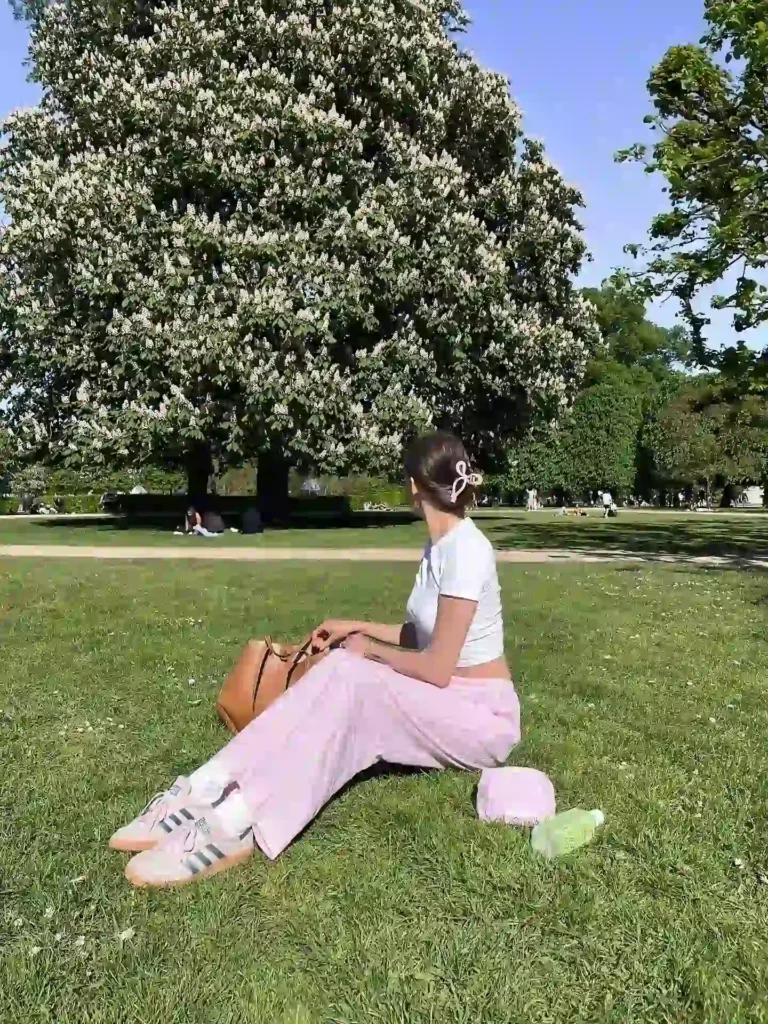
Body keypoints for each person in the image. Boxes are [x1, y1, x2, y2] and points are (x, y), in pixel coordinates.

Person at [111, 432, 521, 888]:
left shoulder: (466, 549)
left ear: (412, 485)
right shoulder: (439, 546)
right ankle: (204, 787)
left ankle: (234, 822)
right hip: (448, 699)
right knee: (342, 667)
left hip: (481, 715)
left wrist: (371, 653)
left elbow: (438, 666)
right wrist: (357, 628)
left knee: (350, 674)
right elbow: (422, 634)